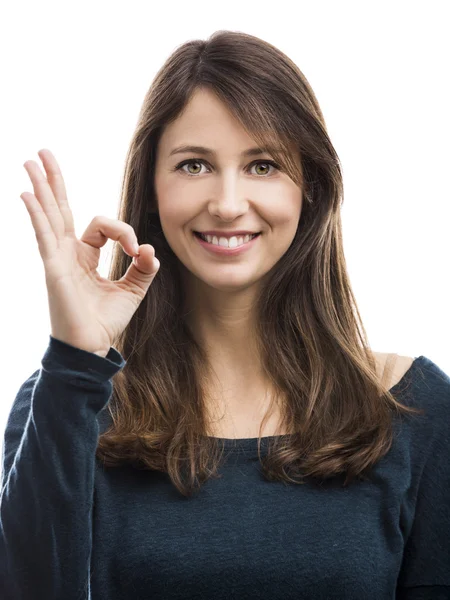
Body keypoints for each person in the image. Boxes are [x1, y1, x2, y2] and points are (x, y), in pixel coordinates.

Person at [1, 30, 449, 600]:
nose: (229, 202)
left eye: (262, 165)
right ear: (152, 188)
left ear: (310, 187)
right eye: (194, 165)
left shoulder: (416, 410)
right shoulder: (65, 401)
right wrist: (75, 361)